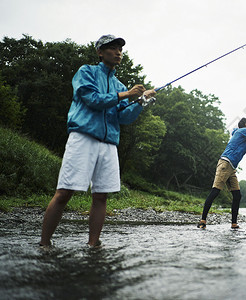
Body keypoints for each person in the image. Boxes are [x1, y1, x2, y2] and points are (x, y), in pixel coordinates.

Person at [39, 34, 156, 247]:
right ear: (100, 52)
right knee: (65, 191)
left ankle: (93, 246)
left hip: (109, 143)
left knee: (101, 196)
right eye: (112, 48)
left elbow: (123, 117)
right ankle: (44, 244)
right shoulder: (86, 72)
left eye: (120, 49)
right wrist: (125, 94)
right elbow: (91, 99)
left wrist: (140, 102)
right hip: (83, 137)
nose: (118, 52)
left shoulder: (119, 84)